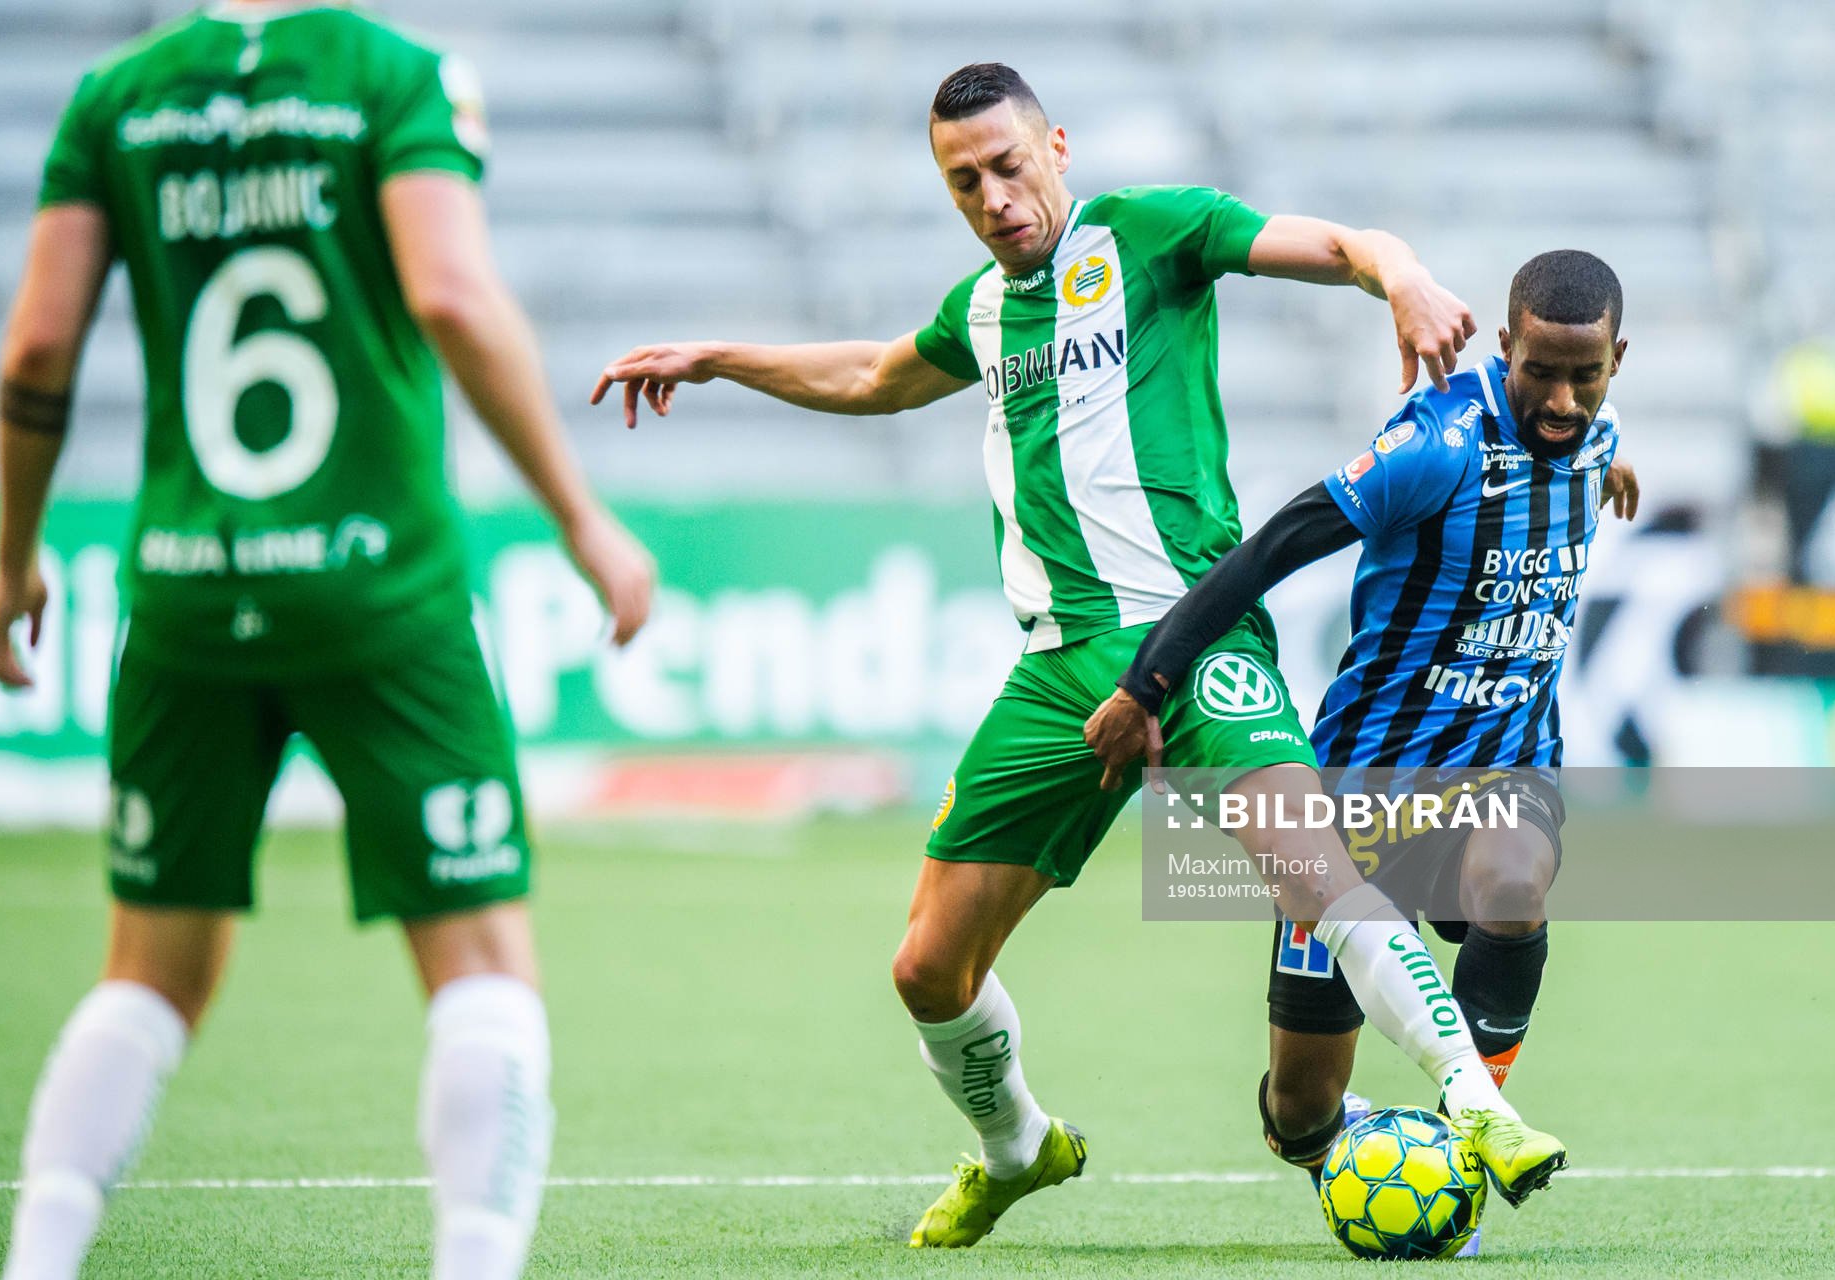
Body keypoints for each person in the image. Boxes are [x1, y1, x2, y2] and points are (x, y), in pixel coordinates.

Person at [592, 62, 1562, 1248]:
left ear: (1056, 146)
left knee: (1320, 871)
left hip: (1190, 630)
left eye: (1008, 165)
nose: (995, 196)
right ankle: (1017, 1147)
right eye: (964, 182)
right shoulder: (982, 314)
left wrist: (1401, 274)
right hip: (1056, 667)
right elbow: (874, 375)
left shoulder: (1148, 233)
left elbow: (1337, 243)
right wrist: (718, 356)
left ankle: (1476, 1104)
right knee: (926, 970)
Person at [0, 5, 654, 1278]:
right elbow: (453, 294)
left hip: (187, 582)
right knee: (479, 961)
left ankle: (38, 1257)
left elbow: (35, 344)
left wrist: (13, 552)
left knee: (148, 971)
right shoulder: (392, 78)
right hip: (380, 586)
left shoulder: (114, 99)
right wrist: (581, 516)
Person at [1086, 250, 1634, 1253]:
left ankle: (1468, 1140)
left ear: (1616, 362)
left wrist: (1609, 462)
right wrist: (1146, 682)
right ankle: (1347, 1137)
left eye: (1585, 378)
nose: (1561, 401)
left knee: (1514, 882)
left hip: (1507, 774)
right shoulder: (1435, 447)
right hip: (1363, 792)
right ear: (1503, 348)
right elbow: (1271, 548)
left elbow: (1584, 444)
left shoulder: (1593, 435)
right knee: (1300, 1114)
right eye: (1539, 375)